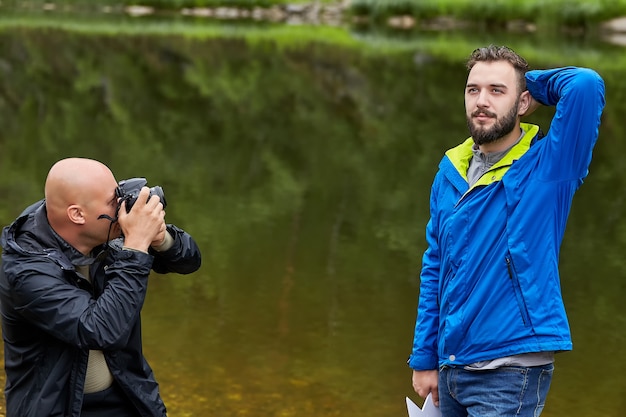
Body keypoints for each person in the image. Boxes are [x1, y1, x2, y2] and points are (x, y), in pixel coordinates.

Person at [408, 45, 605, 416]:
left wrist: (526, 81)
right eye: (473, 90)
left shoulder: (548, 167)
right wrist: (425, 356)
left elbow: (585, 84)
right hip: (452, 365)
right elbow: (436, 267)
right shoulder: (450, 171)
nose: (482, 101)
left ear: (523, 102)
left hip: (509, 369)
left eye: (497, 91)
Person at [0, 158, 202, 417]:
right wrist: (137, 245)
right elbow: (100, 329)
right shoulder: (26, 271)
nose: (121, 207)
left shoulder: (102, 230)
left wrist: (161, 238)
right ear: (77, 214)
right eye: (112, 201)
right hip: (57, 407)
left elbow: (190, 262)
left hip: (126, 393)